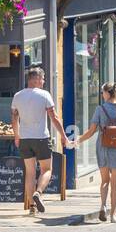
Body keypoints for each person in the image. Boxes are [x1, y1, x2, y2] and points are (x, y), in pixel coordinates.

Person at [10, 67, 71, 215]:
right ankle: (38, 192)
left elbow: (14, 118)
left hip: (25, 139)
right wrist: (64, 136)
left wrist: (17, 136)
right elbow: (54, 117)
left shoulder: (17, 96)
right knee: (47, 169)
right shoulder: (44, 95)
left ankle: (31, 206)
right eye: (42, 79)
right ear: (36, 79)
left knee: (30, 173)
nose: (43, 82)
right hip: (41, 138)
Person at [74, 83, 116, 223]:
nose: (101, 95)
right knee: (114, 184)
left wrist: (79, 140)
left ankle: (103, 205)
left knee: (104, 181)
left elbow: (92, 131)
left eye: (102, 93)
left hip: (103, 148)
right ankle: (113, 215)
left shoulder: (100, 109)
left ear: (106, 93)